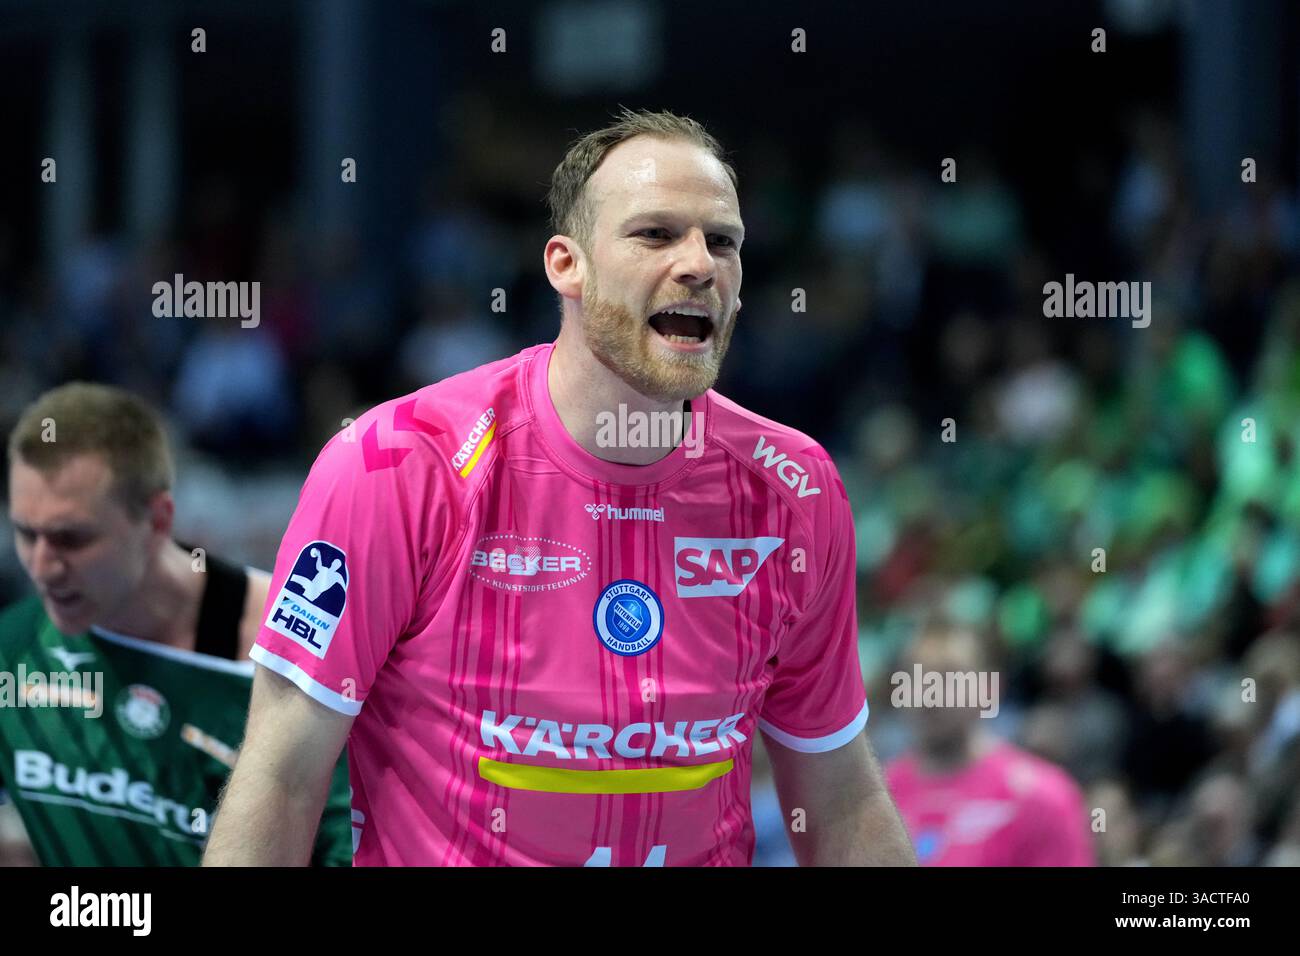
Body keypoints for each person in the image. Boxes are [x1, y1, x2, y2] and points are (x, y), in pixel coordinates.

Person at [204, 108, 915, 866]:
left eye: (724, 241)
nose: (701, 264)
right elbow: (281, 778)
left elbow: (839, 794)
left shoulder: (794, 488)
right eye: (655, 234)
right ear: (565, 265)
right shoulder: (398, 464)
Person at [0, 382, 352, 865]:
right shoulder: (11, 649)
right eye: (25, 533)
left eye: (71, 539)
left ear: (158, 518)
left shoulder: (296, 651)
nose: (41, 566)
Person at [886, 625, 1095, 865]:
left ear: (988, 689)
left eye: (949, 678)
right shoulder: (875, 796)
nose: (929, 694)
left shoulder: (1042, 797)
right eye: (915, 677)